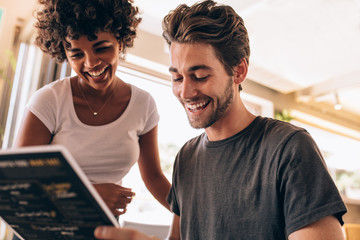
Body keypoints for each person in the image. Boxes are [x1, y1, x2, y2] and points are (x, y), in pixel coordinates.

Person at [94, 0, 347, 239]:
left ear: (238, 71)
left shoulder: (289, 148)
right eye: (177, 78)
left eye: (201, 76)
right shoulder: (186, 158)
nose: (185, 92)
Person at [14, 0, 171, 217]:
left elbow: (154, 178)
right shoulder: (49, 101)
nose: (91, 63)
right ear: (64, 53)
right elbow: (18, 183)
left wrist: (194, 214)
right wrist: (89, 194)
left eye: (102, 48)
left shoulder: (143, 105)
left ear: (120, 42)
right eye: (77, 54)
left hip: (105, 229)